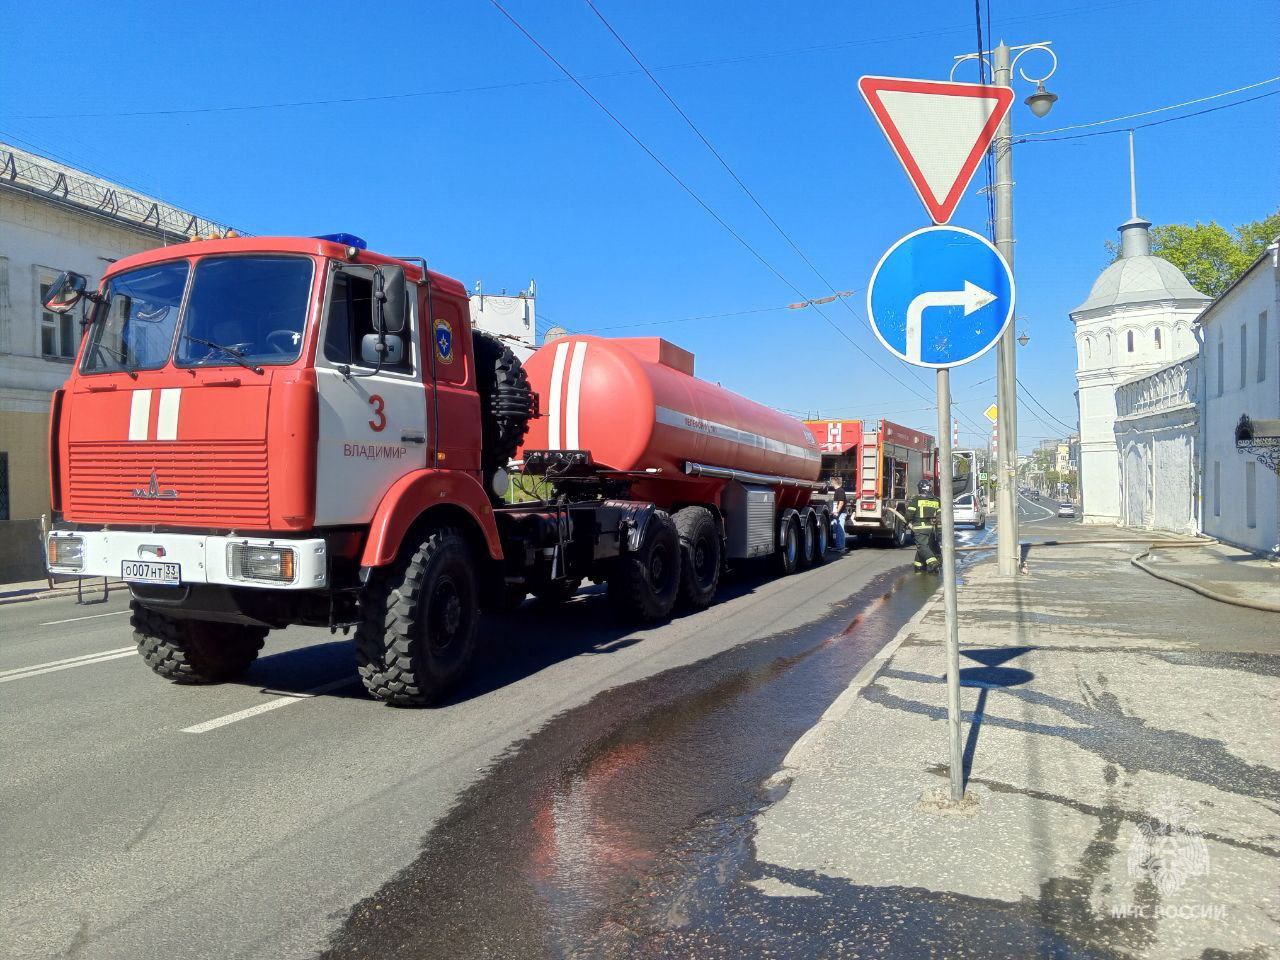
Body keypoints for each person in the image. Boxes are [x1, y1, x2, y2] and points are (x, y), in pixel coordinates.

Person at [906, 478, 941, 573]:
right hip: (932, 528)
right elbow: (939, 516)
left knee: (922, 546)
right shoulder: (936, 500)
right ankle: (919, 565)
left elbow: (909, 514)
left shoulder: (916, 499)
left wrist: (907, 521)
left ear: (920, 488)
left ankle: (933, 563)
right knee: (924, 546)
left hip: (919, 528)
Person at [829, 476, 848, 551]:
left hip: (841, 513)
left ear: (834, 482)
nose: (831, 484)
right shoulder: (838, 490)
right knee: (837, 529)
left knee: (840, 530)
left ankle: (841, 547)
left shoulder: (840, 491)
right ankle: (838, 546)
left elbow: (841, 502)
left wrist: (837, 512)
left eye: (832, 482)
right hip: (839, 513)